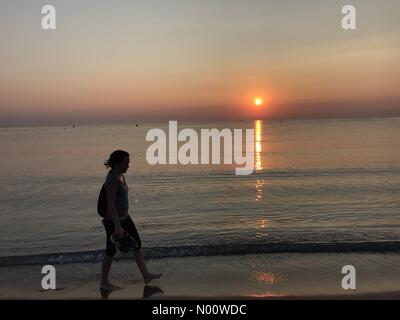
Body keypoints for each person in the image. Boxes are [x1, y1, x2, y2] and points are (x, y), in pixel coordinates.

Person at [100, 150, 162, 293]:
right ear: (117, 163)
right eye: (126, 163)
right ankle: (104, 282)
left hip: (124, 217)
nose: (128, 165)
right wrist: (117, 227)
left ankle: (146, 276)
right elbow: (110, 205)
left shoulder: (120, 175)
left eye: (128, 163)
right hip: (113, 221)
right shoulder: (112, 180)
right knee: (110, 250)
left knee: (137, 244)